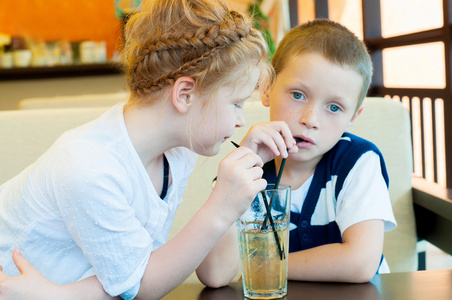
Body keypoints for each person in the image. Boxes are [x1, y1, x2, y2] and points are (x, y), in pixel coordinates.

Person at [0, 1, 298, 299]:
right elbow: (140, 287)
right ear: (184, 94)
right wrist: (222, 204)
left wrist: (245, 167)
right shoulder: (89, 168)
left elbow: (131, 275)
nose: (240, 121)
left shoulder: (177, 154)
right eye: (235, 104)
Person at [257, 19, 397, 283]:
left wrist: (263, 266)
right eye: (298, 95)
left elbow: (360, 262)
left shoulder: (358, 161)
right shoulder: (249, 169)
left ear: (353, 117)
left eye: (334, 108)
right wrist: (237, 177)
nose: (311, 119)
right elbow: (217, 272)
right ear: (267, 89)